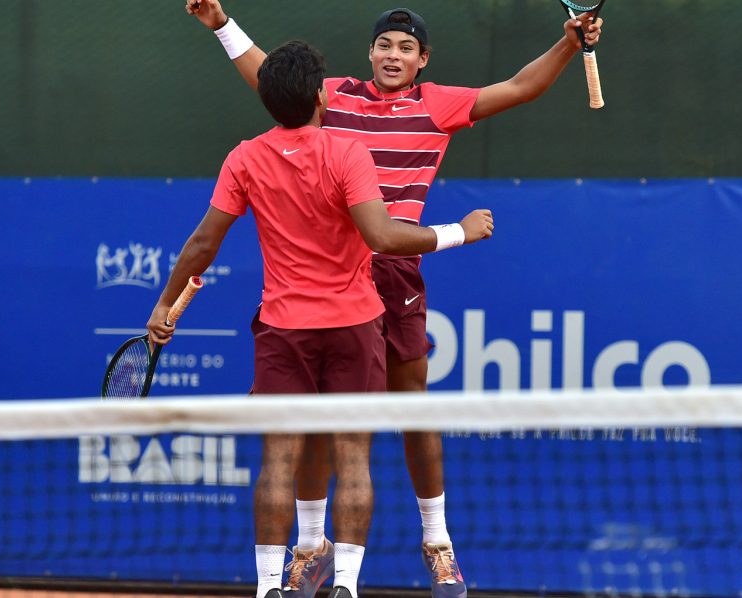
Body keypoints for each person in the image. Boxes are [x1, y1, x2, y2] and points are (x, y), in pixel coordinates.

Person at [184, 0, 602, 598]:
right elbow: (271, 78)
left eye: (406, 48)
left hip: (394, 267)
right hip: (329, 275)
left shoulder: (440, 106)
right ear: (370, 52)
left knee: (411, 406)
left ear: (423, 60)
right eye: (384, 44)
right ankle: (309, 547)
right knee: (318, 421)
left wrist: (567, 45)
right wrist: (221, 25)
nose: (393, 55)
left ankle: (437, 541)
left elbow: (518, 88)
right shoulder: (336, 97)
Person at [145, 40, 493, 598]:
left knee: (278, 458)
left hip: (284, 328)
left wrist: (164, 304)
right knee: (353, 454)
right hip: (354, 325)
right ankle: (347, 587)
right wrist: (459, 232)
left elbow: (203, 242)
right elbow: (382, 237)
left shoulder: (245, 157)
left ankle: (267, 588)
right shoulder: (348, 152)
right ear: (319, 98)